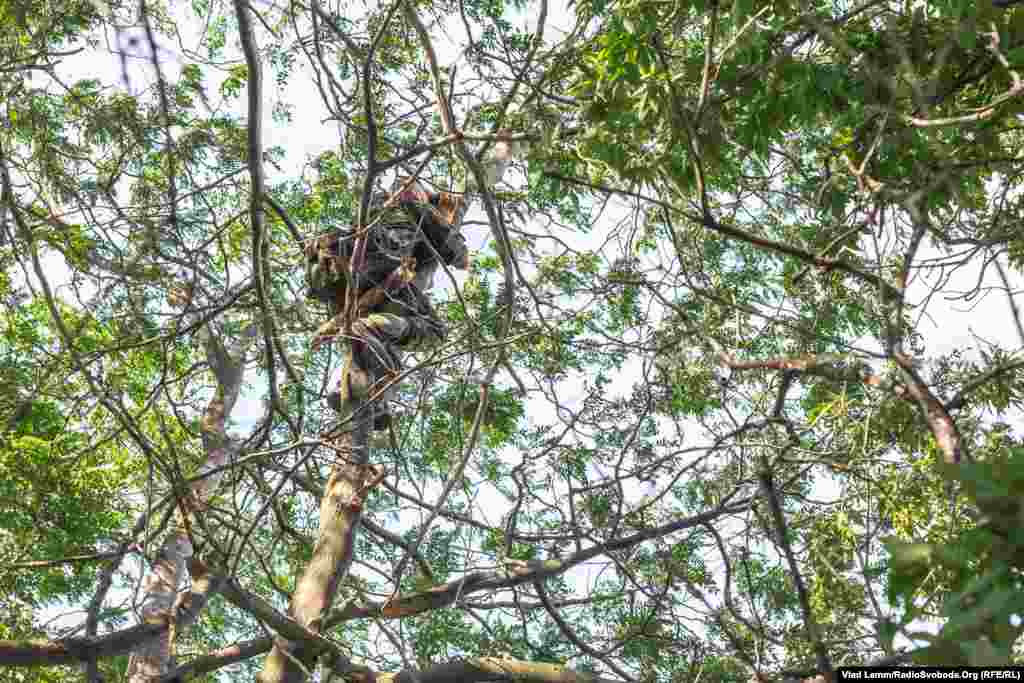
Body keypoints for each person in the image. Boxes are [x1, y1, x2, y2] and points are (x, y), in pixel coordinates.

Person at [305, 139, 523, 432]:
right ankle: (371, 367)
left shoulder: (378, 209)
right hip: (377, 274)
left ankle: (349, 385)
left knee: (367, 329)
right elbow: (455, 252)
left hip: (349, 285)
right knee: (423, 330)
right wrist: (450, 231)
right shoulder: (409, 206)